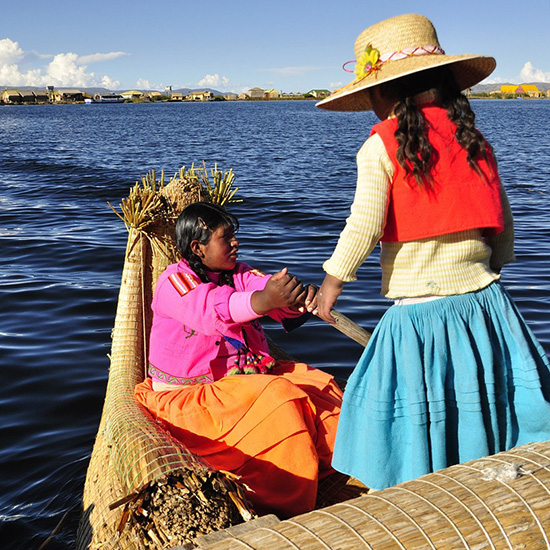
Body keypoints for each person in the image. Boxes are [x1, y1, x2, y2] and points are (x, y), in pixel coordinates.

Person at [312, 13, 550, 490]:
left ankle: (424, 495)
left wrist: (331, 285)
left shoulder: (379, 147)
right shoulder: (474, 139)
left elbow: (363, 224)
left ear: (384, 93)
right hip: (486, 306)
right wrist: (491, 269)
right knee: (482, 403)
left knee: (396, 409)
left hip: (422, 317)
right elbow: (501, 222)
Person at [134, 201, 343, 517]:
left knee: (319, 385)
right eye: (226, 237)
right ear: (198, 248)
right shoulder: (174, 282)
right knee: (280, 397)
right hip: (193, 399)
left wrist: (295, 296)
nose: (236, 243)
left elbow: (262, 288)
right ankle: (289, 503)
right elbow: (212, 309)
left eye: (235, 236)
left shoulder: (237, 273)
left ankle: (344, 465)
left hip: (240, 385)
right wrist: (263, 300)